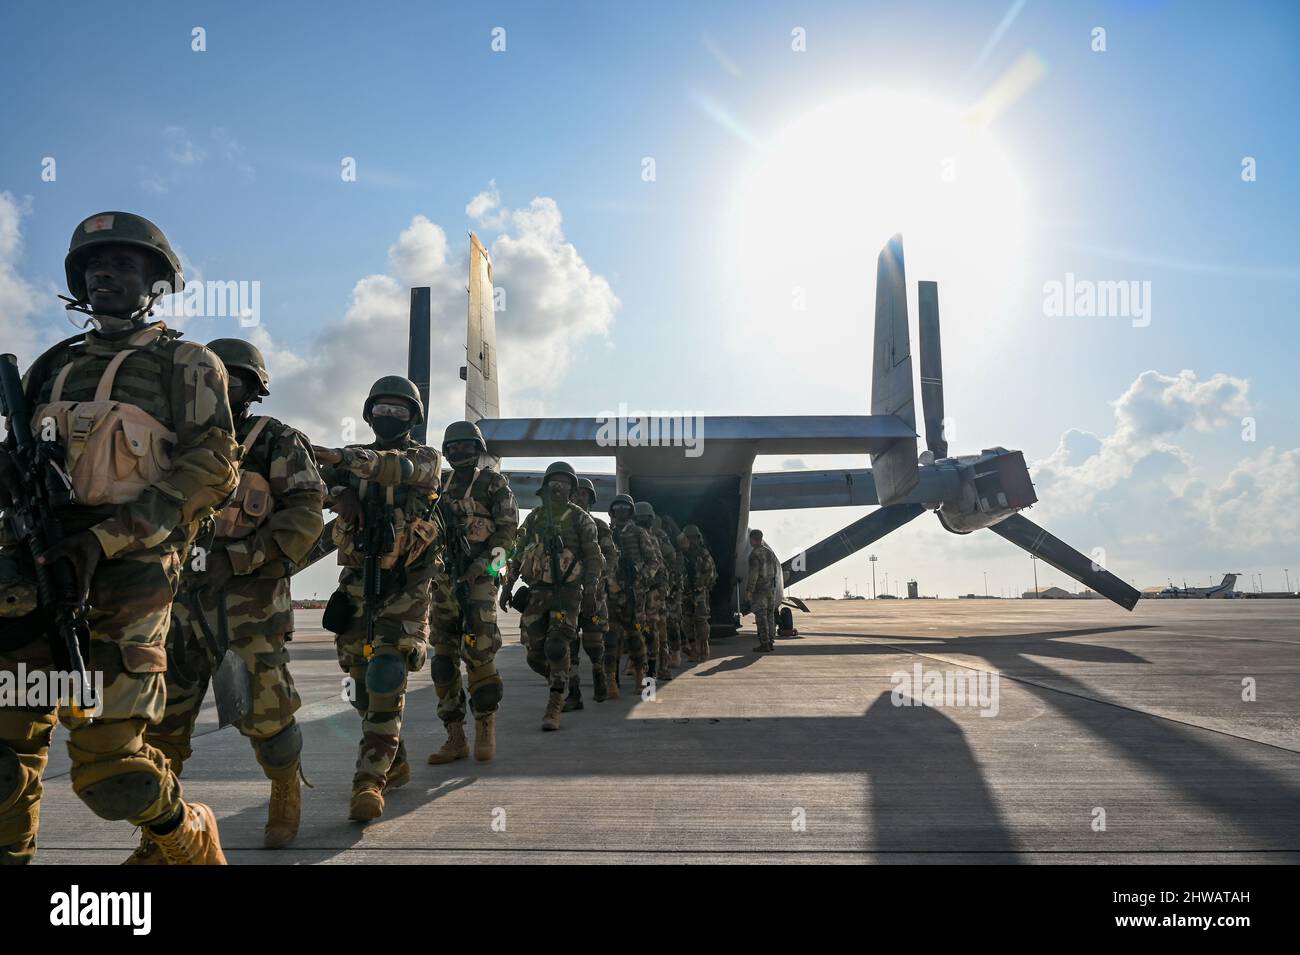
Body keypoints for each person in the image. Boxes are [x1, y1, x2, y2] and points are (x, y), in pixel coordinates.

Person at [0, 211, 238, 864]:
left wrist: (105, 539)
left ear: (156, 281)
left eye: (124, 263)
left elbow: (213, 465)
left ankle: (188, 835)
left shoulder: (186, 364)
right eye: (95, 265)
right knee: (3, 752)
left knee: (112, 772)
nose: (106, 273)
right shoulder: (50, 368)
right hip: (36, 568)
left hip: (129, 573)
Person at [134, 339, 324, 860]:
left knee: (267, 717)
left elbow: (307, 514)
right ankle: (162, 837)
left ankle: (285, 789)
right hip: (177, 607)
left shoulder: (276, 441)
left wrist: (241, 559)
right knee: (163, 725)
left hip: (248, 609)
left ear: (253, 388)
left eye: (232, 380)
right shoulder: (166, 437)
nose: (219, 388)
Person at [314, 377, 442, 821]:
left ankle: (369, 782)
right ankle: (396, 756)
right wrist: (340, 490)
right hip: (356, 583)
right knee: (359, 686)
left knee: (387, 674)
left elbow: (395, 469)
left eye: (400, 411)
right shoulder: (349, 466)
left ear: (414, 418)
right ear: (369, 414)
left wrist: (342, 461)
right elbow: (311, 483)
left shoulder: (425, 459)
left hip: (406, 585)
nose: (390, 418)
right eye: (382, 410)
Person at [427, 420, 517, 764]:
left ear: (477, 450)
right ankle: (454, 736)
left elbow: (508, 535)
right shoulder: (439, 488)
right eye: (452, 448)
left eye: (466, 447)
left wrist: (486, 571)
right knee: (443, 659)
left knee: (479, 651)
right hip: (444, 580)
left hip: (479, 581)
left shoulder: (494, 485)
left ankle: (485, 726)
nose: (458, 453)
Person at [500, 462, 602, 731]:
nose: (558, 487)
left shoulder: (581, 519)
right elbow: (516, 552)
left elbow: (594, 557)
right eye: (554, 482)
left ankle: (555, 703)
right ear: (545, 487)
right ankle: (565, 680)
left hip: (567, 593)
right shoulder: (533, 518)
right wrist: (507, 586)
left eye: (564, 483)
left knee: (557, 645)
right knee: (535, 654)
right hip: (537, 592)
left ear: (572, 489)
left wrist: (590, 592)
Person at [602, 494, 660, 698]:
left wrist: (640, 580)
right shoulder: (606, 534)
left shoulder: (638, 532)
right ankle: (611, 681)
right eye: (617, 509)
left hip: (634, 594)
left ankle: (641, 679)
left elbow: (653, 561)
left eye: (625, 509)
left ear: (631, 512)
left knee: (636, 637)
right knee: (610, 639)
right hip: (611, 594)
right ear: (612, 512)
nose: (621, 513)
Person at [563, 477, 611, 710]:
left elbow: (610, 558)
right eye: (576, 493)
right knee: (569, 645)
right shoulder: (563, 524)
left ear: (591, 499)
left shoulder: (600, 526)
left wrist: (596, 581)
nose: (579, 497)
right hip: (568, 594)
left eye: (584, 494)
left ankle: (599, 672)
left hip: (593, 594)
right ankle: (574, 693)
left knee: (593, 642)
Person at [677, 525, 717, 663]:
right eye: (689, 538)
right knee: (686, 622)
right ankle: (693, 649)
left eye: (694, 538)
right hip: (684, 592)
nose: (691, 541)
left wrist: (701, 584)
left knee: (701, 620)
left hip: (699, 592)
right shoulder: (680, 554)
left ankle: (703, 646)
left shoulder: (703, 554)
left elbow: (711, 573)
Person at [745, 528, 781, 653]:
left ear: (753, 539)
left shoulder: (754, 555)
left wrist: (749, 591)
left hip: (759, 591)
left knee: (761, 617)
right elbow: (776, 571)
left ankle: (764, 644)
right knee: (770, 616)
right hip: (771, 589)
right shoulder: (770, 553)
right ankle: (771, 642)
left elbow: (753, 575)